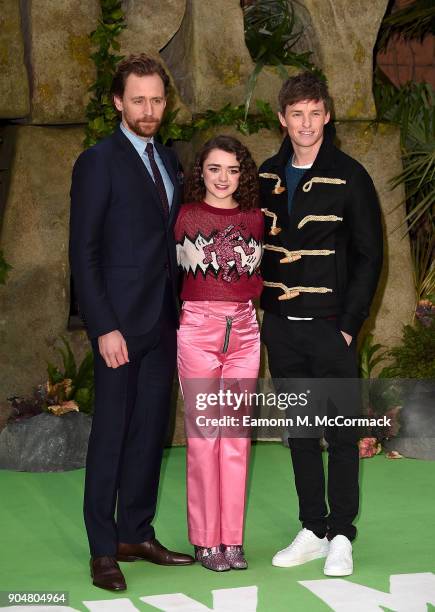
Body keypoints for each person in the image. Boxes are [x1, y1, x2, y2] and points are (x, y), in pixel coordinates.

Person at [69, 53, 194, 592]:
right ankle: (102, 549)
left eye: (157, 99)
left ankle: (135, 533)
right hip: (118, 325)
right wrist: (103, 326)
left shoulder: (169, 161)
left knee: (149, 433)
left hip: (163, 321)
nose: (149, 109)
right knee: (112, 436)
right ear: (119, 101)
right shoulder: (98, 161)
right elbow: (84, 251)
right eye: (138, 99)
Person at [259, 72, 383, 576]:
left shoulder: (351, 175)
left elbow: (370, 256)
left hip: (332, 328)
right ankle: (312, 527)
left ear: (326, 115)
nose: (306, 123)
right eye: (296, 114)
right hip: (281, 328)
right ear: (283, 119)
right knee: (301, 431)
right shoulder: (265, 176)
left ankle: (342, 534)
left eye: (315, 113)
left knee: (342, 433)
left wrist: (349, 325)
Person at [175, 135, 264, 571]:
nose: (223, 178)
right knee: (204, 436)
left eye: (232, 169)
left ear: (242, 174)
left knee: (235, 438)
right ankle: (205, 539)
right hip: (198, 331)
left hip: (246, 331)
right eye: (215, 169)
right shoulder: (185, 216)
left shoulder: (255, 219)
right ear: (201, 173)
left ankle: (231, 538)